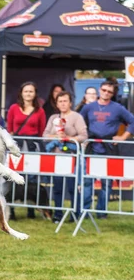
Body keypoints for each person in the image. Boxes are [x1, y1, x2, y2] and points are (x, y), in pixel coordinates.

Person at [79, 79, 134, 218]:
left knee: (107, 183)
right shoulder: (88, 107)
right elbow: (79, 122)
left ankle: (101, 212)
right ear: (99, 90)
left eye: (109, 92)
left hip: (109, 149)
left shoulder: (117, 108)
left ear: (113, 93)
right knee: (87, 181)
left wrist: (123, 137)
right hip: (91, 148)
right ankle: (84, 211)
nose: (106, 93)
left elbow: (132, 121)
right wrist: (82, 138)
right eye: (104, 90)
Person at [42, 91, 88, 223]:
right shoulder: (53, 118)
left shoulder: (76, 117)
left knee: (72, 187)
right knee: (57, 187)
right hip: (57, 158)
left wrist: (69, 138)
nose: (63, 104)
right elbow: (45, 135)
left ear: (70, 103)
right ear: (56, 104)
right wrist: (56, 136)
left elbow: (83, 136)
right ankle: (58, 213)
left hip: (72, 156)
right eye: (60, 101)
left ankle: (75, 213)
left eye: (65, 101)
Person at [6, 82, 46, 219]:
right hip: (17, 145)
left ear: (35, 94)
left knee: (32, 178)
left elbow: (41, 131)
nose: (28, 94)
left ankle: (31, 209)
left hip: (32, 145)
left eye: (31, 91)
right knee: (14, 177)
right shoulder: (13, 108)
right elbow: (9, 128)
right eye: (26, 91)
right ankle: (11, 210)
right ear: (21, 93)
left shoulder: (39, 110)